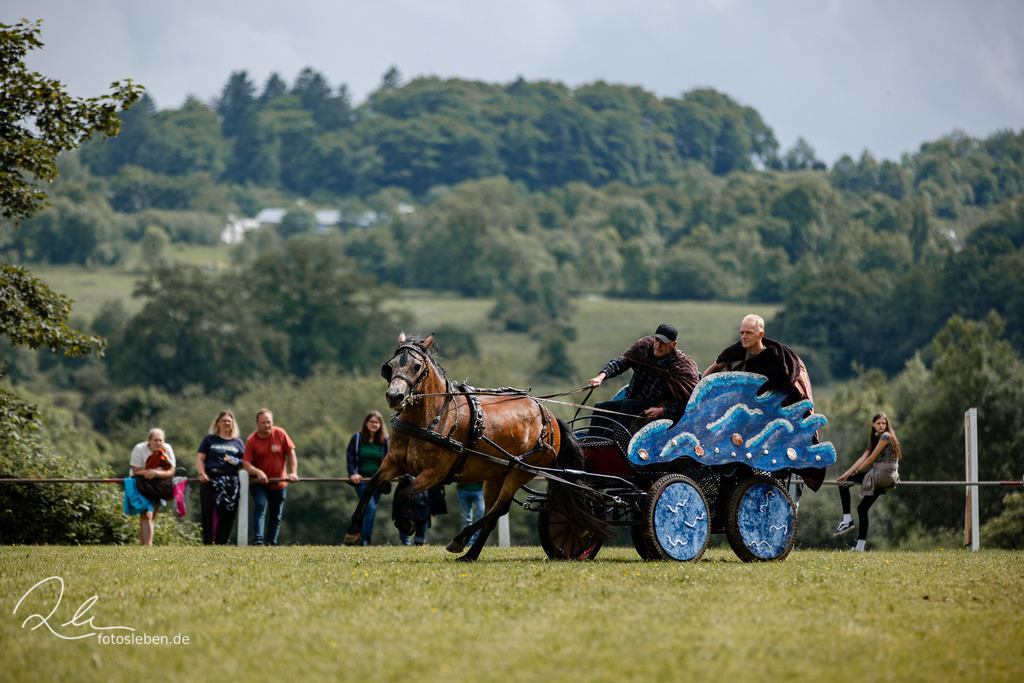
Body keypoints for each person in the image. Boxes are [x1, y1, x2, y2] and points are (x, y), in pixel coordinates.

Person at [704, 313, 824, 491]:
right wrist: (701, 387)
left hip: (769, 418)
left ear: (760, 335)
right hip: (740, 415)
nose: (744, 337)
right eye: (742, 333)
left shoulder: (776, 360)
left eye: (749, 333)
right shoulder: (736, 353)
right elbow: (716, 368)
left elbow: (788, 389)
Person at [587, 323, 700, 434]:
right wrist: (601, 377)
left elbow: (689, 402)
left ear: (673, 345)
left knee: (628, 405)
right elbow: (621, 363)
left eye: (663, 343)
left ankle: (619, 442)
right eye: (656, 340)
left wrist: (663, 411)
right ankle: (590, 445)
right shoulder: (644, 349)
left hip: (655, 406)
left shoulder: (682, 366)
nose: (658, 345)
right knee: (600, 407)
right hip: (632, 400)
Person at [834, 412, 902, 551]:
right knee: (862, 508)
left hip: (882, 474)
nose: (882, 425)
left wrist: (854, 473)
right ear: (873, 424)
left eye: (884, 423)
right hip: (888, 477)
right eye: (879, 423)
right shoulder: (877, 437)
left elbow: (870, 459)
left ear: (887, 424)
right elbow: (864, 456)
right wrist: (846, 474)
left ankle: (847, 520)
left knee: (844, 485)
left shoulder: (885, 436)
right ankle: (859, 547)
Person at [241, 409, 298, 546]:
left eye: (269, 422)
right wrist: (258, 472)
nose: (267, 425)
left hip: (279, 483)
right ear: (257, 423)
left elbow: (291, 454)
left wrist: (293, 472)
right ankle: (258, 540)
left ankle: (271, 543)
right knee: (260, 506)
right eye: (263, 422)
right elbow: (246, 463)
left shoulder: (280, 433)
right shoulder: (252, 440)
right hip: (259, 483)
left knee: (275, 515)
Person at [196, 410, 245, 545]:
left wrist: (236, 461)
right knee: (209, 513)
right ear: (218, 423)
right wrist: (202, 473)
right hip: (210, 481)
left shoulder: (238, 443)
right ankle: (208, 543)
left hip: (230, 482)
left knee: (228, 512)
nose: (226, 423)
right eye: (223, 420)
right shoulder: (209, 440)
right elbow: (200, 458)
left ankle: (222, 542)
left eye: (229, 421)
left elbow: (245, 463)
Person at [346, 411, 389, 545]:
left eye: (377, 422)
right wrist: (353, 473)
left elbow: (389, 459)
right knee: (369, 509)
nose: (374, 424)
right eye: (372, 422)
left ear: (381, 425)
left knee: (370, 510)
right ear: (366, 423)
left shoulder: (385, 440)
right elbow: (350, 457)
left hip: (378, 482)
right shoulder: (357, 438)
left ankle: (359, 537)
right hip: (362, 481)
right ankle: (365, 541)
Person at [128, 428, 176, 546]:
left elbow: (171, 471)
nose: (158, 443)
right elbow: (136, 471)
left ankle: (143, 546)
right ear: (149, 440)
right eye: (155, 440)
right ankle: (148, 546)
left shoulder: (167, 449)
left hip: (159, 484)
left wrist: (156, 474)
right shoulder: (139, 449)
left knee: (150, 516)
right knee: (147, 514)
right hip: (140, 482)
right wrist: (151, 472)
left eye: (160, 440)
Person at [394, 477, 447, 546]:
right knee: (403, 520)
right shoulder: (406, 478)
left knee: (423, 521)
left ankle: (419, 543)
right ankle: (405, 544)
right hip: (408, 501)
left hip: (424, 502)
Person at [456, 481, 485, 545]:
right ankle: (467, 543)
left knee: (482, 515)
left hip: (480, 490)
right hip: (462, 490)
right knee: (465, 519)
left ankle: (476, 542)